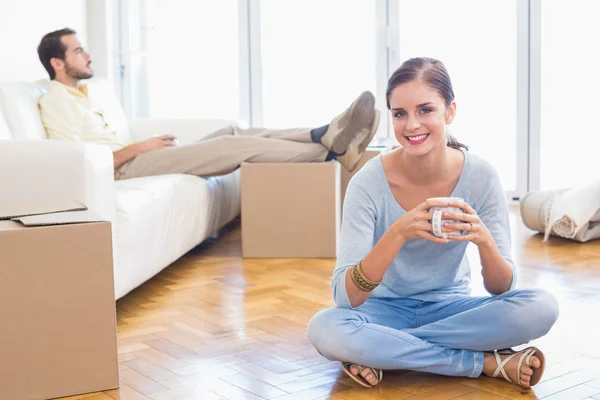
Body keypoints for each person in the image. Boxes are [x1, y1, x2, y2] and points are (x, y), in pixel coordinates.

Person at [306, 57, 559, 389]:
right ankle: (483, 362)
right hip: (382, 309)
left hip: (452, 310)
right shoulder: (367, 183)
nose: (412, 125)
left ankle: (386, 350)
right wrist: (398, 232)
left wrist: (483, 240)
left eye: (425, 110)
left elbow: (502, 288)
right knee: (325, 328)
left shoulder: (481, 176)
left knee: (541, 307)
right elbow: (345, 298)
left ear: (449, 112)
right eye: (400, 114)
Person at [36, 28, 380, 179]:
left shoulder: (85, 95)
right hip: (123, 170)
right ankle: (331, 150)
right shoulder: (54, 101)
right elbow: (75, 164)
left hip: (140, 157)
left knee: (232, 129)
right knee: (230, 145)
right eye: (78, 51)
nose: (88, 55)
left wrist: (145, 147)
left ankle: (323, 132)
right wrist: (139, 148)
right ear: (57, 63)